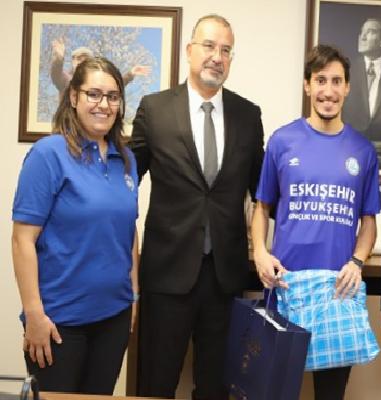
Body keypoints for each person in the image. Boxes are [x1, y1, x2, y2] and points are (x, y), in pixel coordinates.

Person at [129, 14, 264, 400]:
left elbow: (264, 193)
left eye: (226, 50)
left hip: (225, 278)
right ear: (189, 50)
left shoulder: (248, 115)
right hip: (166, 274)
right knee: (156, 383)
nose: (217, 57)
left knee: (216, 388)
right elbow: (122, 182)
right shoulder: (154, 109)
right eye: (209, 46)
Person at [252, 44, 381, 400]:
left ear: (347, 88)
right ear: (307, 85)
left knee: (330, 394)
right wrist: (260, 252)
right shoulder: (282, 141)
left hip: (336, 293)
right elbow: (261, 207)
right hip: (286, 288)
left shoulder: (362, 150)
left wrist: (358, 261)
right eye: (321, 80)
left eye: (336, 81)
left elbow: (368, 220)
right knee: (278, 392)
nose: (328, 90)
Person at [11, 56, 139, 394]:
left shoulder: (126, 159)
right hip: (58, 323)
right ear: (73, 97)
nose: (104, 104)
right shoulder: (48, 154)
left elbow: (129, 232)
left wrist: (134, 296)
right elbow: (22, 240)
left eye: (113, 96)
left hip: (113, 317)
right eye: (93, 94)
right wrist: (34, 314)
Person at [51, 37, 151, 95]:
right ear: (73, 61)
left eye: (85, 59)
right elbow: (56, 73)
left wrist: (131, 73)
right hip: (69, 124)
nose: (81, 62)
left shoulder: (96, 80)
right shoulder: (66, 79)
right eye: (78, 58)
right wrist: (59, 58)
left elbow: (115, 84)